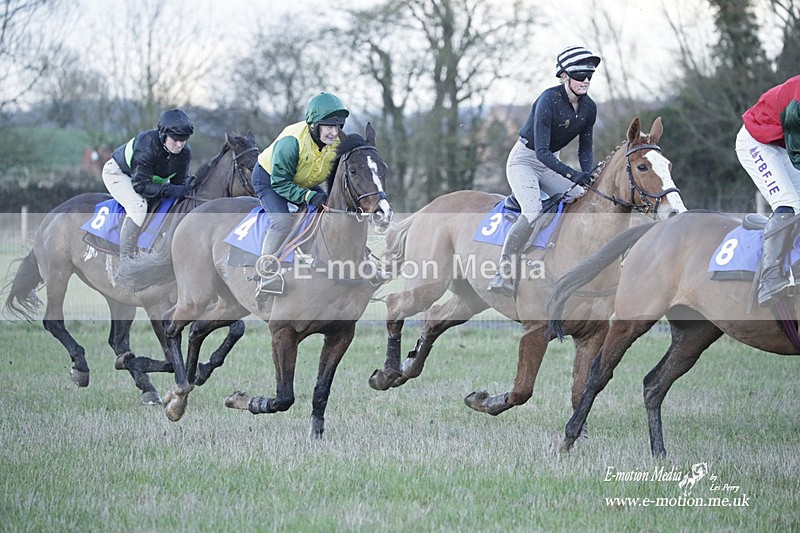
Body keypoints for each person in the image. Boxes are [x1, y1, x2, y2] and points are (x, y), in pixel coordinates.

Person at [487, 46, 601, 297]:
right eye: (580, 75)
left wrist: (588, 174)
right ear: (563, 76)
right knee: (534, 210)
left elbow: (585, 149)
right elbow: (540, 152)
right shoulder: (548, 100)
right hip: (525, 161)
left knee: (582, 196)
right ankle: (503, 272)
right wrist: (573, 175)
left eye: (589, 76)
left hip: (551, 163)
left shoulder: (589, 107)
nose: (585, 80)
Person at [252, 92, 349, 298]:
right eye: (329, 126)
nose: (334, 132)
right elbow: (280, 182)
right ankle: (266, 273)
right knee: (282, 221)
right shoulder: (291, 142)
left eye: (338, 126)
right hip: (270, 179)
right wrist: (307, 197)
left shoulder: (336, 144)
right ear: (314, 125)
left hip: (304, 181)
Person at [735, 75, 800, 307]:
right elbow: (797, 154)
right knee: (789, 204)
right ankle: (769, 279)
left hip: (781, 143)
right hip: (757, 142)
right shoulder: (798, 104)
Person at [103, 108, 195, 260]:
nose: (179, 145)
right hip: (119, 173)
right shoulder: (147, 144)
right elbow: (140, 186)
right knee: (138, 206)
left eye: (183, 140)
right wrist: (170, 189)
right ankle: (125, 259)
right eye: (175, 139)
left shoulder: (185, 153)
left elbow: (179, 183)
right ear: (163, 135)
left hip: (150, 178)